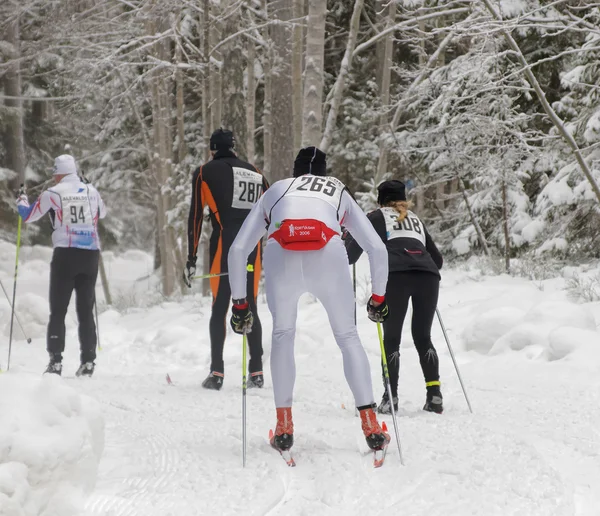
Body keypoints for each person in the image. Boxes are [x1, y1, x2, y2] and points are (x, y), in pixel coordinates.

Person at [227, 146, 391, 453]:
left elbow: (238, 250)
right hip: (327, 250)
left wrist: (239, 304)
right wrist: (378, 298)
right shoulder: (336, 188)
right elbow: (377, 248)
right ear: (324, 172)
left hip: (282, 250)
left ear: (295, 172)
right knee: (348, 337)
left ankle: (284, 426)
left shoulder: (276, 189)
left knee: (282, 335)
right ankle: (370, 424)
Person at [344, 180, 444, 414]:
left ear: (380, 200)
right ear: (403, 198)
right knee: (423, 336)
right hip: (428, 276)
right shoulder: (415, 219)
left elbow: (350, 254)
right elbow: (437, 260)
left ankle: (391, 397)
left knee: (391, 338)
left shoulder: (376, 217)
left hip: (396, 275)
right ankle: (434, 394)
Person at [185, 128, 268, 390]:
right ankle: (256, 371)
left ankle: (217, 372)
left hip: (224, 244)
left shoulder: (204, 172)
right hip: (253, 246)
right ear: (234, 147)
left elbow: (196, 216)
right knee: (250, 304)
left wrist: (191, 256)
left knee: (220, 306)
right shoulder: (255, 172)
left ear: (212, 149)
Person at [16, 154, 106, 377]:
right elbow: (102, 213)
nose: (54, 178)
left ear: (59, 173)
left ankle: (56, 362)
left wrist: (21, 200)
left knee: (58, 310)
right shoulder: (91, 190)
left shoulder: (53, 193)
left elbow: (28, 216)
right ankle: (88, 362)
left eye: (55, 173)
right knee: (85, 310)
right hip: (90, 254)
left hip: (66, 254)